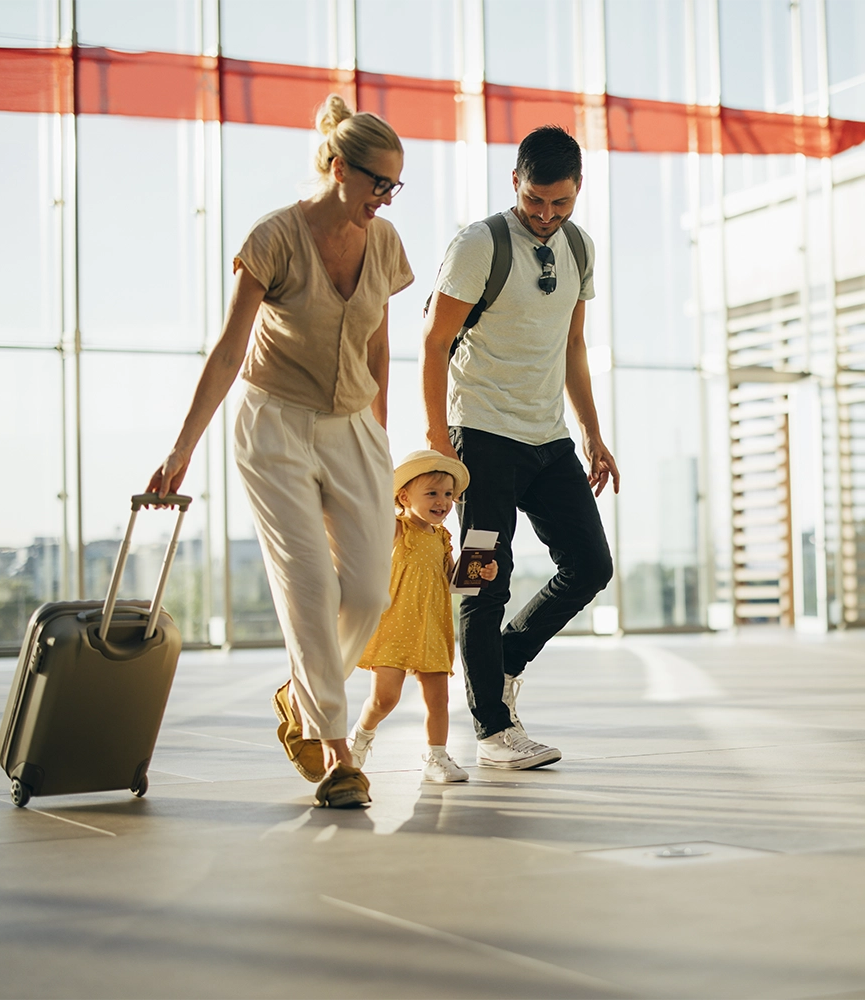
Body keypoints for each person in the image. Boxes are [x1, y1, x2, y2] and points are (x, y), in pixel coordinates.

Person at [147, 94, 413, 809]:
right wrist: (182, 448)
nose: (385, 199)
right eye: (377, 183)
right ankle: (333, 753)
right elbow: (232, 347)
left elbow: (380, 346)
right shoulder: (274, 237)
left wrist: (384, 439)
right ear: (338, 167)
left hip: (354, 426)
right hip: (275, 426)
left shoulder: (384, 244)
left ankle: (302, 696)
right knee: (309, 586)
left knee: (366, 591)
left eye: (395, 186)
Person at [420, 125, 619, 770]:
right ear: (515, 184)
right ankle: (492, 730)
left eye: (560, 203)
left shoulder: (580, 248)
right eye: (535, 200)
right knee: (485, 579)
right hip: (479, 433)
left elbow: (574, 345)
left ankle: (503, 661)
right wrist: (435, 439)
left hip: (548, 435)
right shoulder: (479, 245)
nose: (545, 215)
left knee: (590, 566)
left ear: (578, 192)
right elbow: (432, 344)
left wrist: (592, 432)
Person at [347, 450, 497, 783]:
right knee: (385, 697)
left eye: (447, 494)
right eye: (431, 493)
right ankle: (361, 735)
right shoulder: (397, 529)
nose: (442, 502)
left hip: (431, 626)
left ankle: (436, 756)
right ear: (403, 496)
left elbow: (450, 578)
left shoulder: (442, 537)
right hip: (395, 625)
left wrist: (480, 571)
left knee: (439, 698)